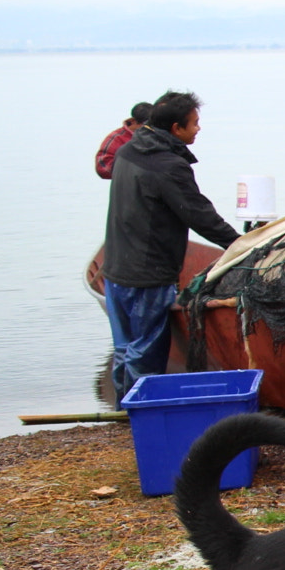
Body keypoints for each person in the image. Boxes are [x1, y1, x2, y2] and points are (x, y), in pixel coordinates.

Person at [102, 91, 242, 396]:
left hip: (114, 268)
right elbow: (199, 214)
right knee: (145, 352)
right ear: (176, 129)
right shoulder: (168, 166)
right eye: (194, 123)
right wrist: (241, 243)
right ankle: (141, 409)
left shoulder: (127, 152)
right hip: (147, 274)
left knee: (125, 348)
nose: (199, 129)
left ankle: (123, 411)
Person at [95, 101, 156, 179]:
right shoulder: (116, 138)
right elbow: (102, 168)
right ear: (133, 121)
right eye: (146, 125)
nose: (149, 128)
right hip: (127, 185)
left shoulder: (155, 136)